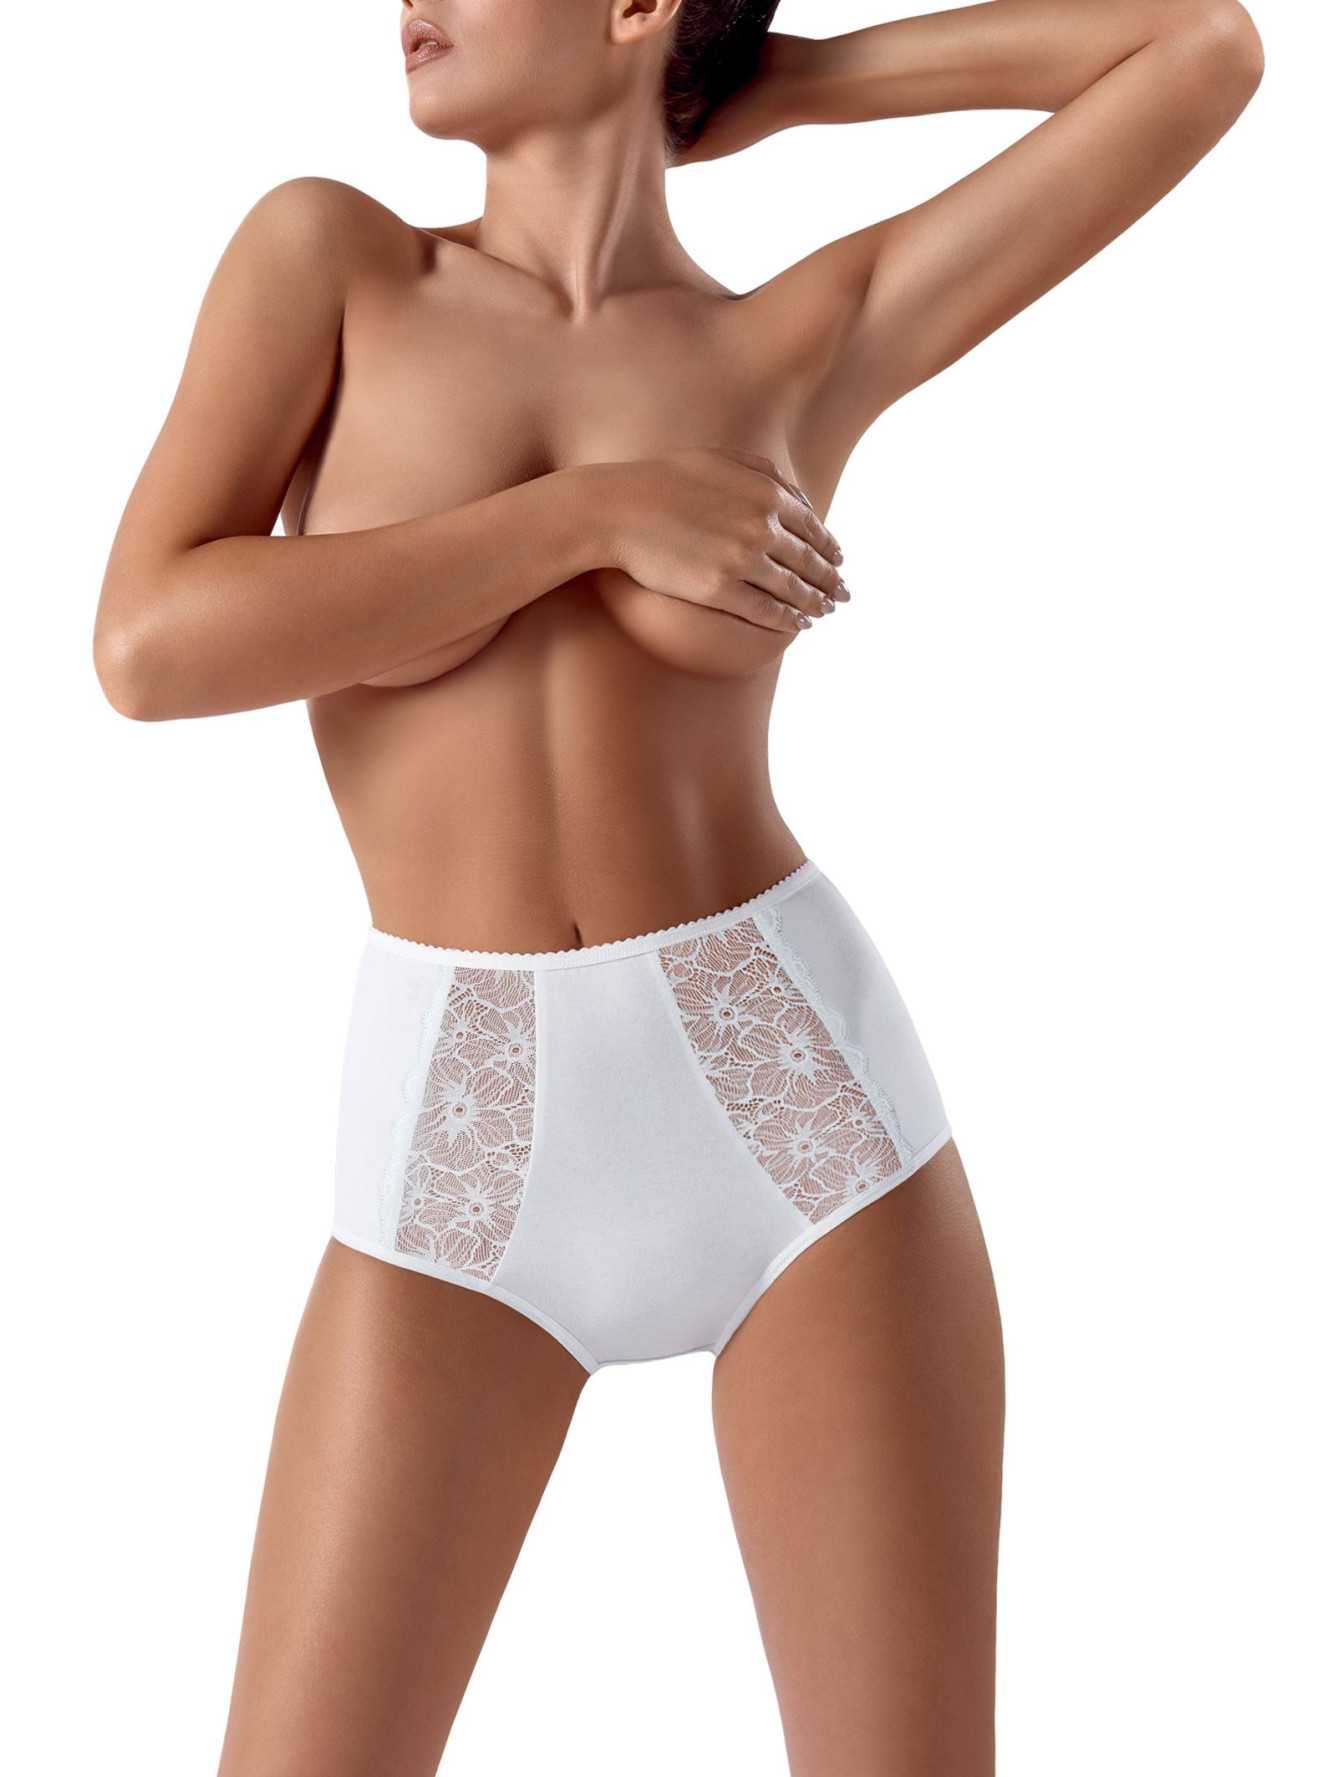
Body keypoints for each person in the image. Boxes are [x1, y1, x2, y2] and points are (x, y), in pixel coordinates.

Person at [92, 3, 1263, 1771]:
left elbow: (1200, 52)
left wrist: (768, 83)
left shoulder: (794, 335)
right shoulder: (332, 261)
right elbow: (151, 642)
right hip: (457, 1153)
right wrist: (587, 516)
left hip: (803, 1128)